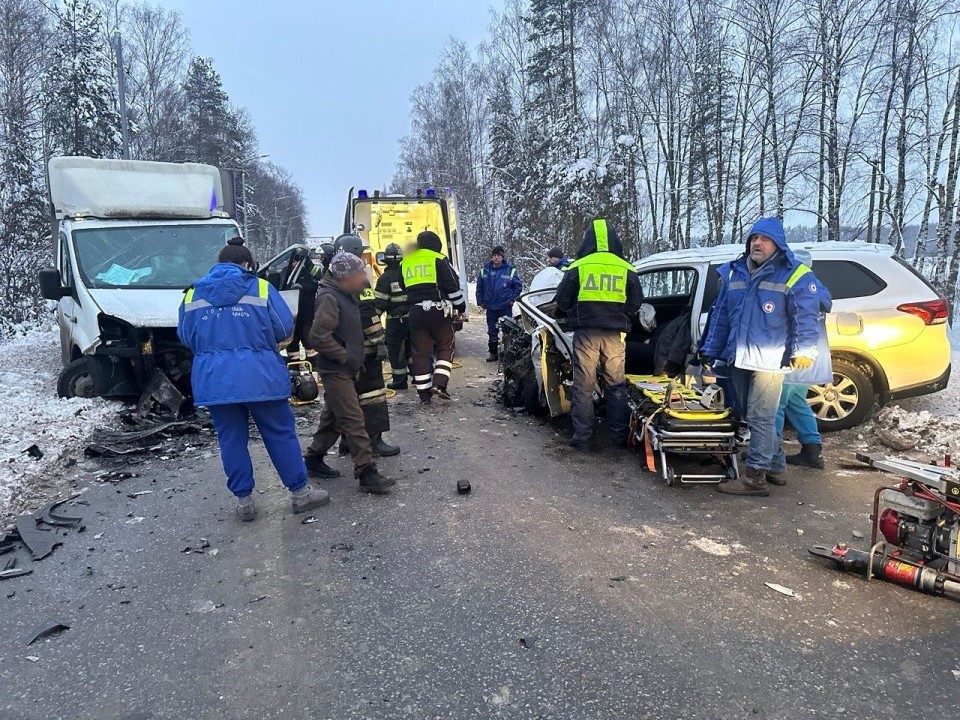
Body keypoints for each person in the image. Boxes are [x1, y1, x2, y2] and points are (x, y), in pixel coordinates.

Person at [177, 237, 329, 521]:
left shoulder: (192, 294)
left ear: (218, 263)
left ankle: (244, 502)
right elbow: (285, 327)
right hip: (261, 377)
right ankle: (300, 494)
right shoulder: (261, 287)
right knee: (279, 433)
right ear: (247, 264)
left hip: (215, 380)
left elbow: (186, 337)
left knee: (231, 439)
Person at [700, 217, 821, 497]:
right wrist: (711, 349)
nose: (757, 243)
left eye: (764, 239)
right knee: (750, 414)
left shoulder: (793, 274)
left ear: (777, 245)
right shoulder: (735, 273)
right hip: (739, 357)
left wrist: (804, 350)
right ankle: (776, 466)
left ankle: (755, 478)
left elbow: (806, 316)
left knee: (761, 416)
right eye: (754, 238)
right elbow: (721, 318)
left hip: (770, 359)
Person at [303, 252, 396, 493]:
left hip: (346, 369)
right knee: (354, 419)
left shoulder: (344, 294)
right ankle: (366, 472)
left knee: (333, 418)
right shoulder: (329, 298)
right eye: (358, 274)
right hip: (336, 370)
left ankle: (313, 459)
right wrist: (344, 357)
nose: (362, 278)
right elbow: (318, 336)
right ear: (345, 277)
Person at [555, 218, 642, 451]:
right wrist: (619, 315)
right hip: (614, 337)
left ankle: (582, 440)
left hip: (586, 335)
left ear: (588, 240)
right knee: (616, 386)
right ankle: (619, 439)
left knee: (584, 386)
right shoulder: (627, 268)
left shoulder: (578, 267)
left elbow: (562, 302)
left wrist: (577, 311)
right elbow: (635, 303)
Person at [331, 234, 399, 458]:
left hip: (341, 350)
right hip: (364, 350)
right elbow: (368, 313)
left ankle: (347, 442)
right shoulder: (360, 280)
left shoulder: (331, 280)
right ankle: (374, 441)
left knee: (348, 398)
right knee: (373, 394)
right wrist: (379, 340)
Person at [771, 249, 832, 471]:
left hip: (795, 356)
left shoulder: (799, 287)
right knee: (796, 402)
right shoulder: (818, 287)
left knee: (775, 404)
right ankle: (812, 450)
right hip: (810, 357)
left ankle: (770, 451)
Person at [400, 230, 466, 403]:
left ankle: (424, 394)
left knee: (420, 353)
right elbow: (452, 285)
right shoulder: (438, 258)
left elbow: (402, 286)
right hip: (437, 311)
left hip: (415, 312)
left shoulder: (405, 262)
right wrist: (461, 307)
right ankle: (439, 384)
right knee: (446, 346)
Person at [374, 243, 411, 390]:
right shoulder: (407, 273)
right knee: (412, 348)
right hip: (412, 318)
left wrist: (371, 322)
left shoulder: (385, 278)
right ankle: (419, 376)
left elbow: (379, 304)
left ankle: (399, 381)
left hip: (395, 321)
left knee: (395, 351)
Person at [476, 245, 523, 362]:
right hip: (490, 306)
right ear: (491, 257)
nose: (496, 258)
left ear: (502, 257)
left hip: (505, 306)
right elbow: (480, 287)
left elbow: (517, 286)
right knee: (492, 330)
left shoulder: (510, 270)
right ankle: (493, 353)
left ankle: (508, 355)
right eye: (494, 256)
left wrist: (512, 299)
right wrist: (480, 301)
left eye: (498, 256)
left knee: (508, 331)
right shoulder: (485, 270)